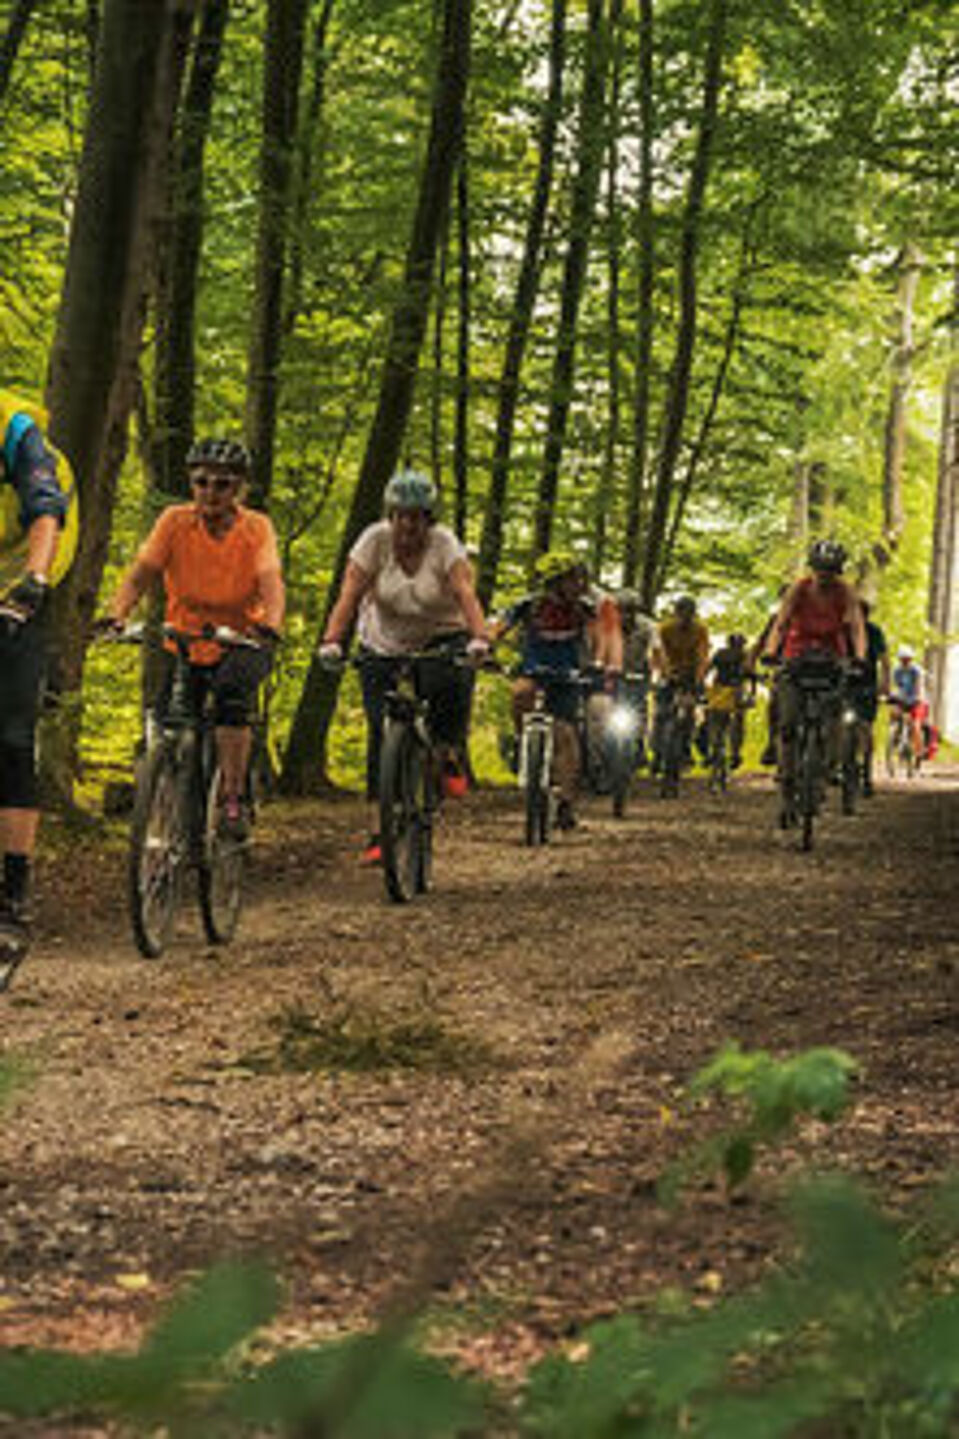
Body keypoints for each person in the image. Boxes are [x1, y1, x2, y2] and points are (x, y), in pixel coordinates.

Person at [103, 438, 284, 839]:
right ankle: (167, 801)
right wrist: (117, 614)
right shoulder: (174, 521)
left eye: (221, 484)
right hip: (183, 637)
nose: (209, 493)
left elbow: (271, 580)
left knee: (231, 701)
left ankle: (233, 799)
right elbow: (141, 573)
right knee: (170, 719)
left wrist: (271, 623)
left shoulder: (256, 528)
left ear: (238, 488)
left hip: (242, 638)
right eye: (201, 482)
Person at [318, 469, 489, 863]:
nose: (408, 525)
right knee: (381, 731)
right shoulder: (373, 542)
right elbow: (349, 594)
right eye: (400, 515)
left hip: (442, 635)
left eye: (417, 516)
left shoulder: (445, 544)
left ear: (429, 519)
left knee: (450, 682)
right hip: (384, 640)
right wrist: (331, 641)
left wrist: (480, 638)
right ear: (389, 516)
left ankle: (447, 751)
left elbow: (465, 592)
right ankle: (379, 832)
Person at [0, 388, 78, 986]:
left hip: (20, 584)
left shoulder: (15, 427)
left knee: (10, 735)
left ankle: (14, 886)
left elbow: (46, 508)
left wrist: (33, 583)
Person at [493, 550, 621, 830]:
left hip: (568, 675)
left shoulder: (583, 607)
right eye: (573, 578)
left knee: (566, 735)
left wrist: (600, 661)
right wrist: (485, 645)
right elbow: (500, 626)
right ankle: (520, 743)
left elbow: (599, 633)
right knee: (519, 694)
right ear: (556, 581)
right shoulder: (529, 605)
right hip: (533, 670)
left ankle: (565, 802)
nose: (580, 584)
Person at [762, 539, 866, 792]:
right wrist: (770, 651)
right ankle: (786, 773)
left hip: (832, 656)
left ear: (838, 571)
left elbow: (856, 626)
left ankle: (830, 763)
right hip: (797, 655)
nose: (824, 576)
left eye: (830, 570)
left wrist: (859, 657)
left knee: (834, 714)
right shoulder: (799, 588)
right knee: (787, 719)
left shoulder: (845, 591)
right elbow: (781, 621)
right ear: (812, 568)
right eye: (820, 569)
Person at [650, 595, 710, 772]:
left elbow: (703, 655)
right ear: (676, 613)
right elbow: (659, 654)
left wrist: (699, 679)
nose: (685, 618)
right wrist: (666, 673)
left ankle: (685, 747)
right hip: (669, 673)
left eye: (689, 614)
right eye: (682, 613)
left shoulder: (700, 630)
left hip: (690, 675)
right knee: (660, 712)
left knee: (689, 711)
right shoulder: (665, 629)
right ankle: (657, 752)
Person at [847, 599, 889, 796]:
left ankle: (867, 772)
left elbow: (884, 660)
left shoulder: (874, 632)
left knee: (864, 726)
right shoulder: (843, 630)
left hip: (866, 685)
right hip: (843, 684)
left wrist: (885, 685)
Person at [704, 632, 752, 770]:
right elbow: (748, 671)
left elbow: (708, 668)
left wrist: (700, 684)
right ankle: (735, 753)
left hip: (718, 689)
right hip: (735, 690)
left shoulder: (720, 653)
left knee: (714, 720)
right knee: (738, 721)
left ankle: (714, 750)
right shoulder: (744, 655)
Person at [889, 643, 924, 761]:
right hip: (903, 699)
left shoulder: (916, 670)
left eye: (907, 659)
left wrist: (918, 697)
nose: (905, 661)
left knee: (915, 726)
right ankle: (895, 738)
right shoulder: (897, 671)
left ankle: (918, 752)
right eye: (902, 659)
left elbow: (919, 686)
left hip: (916, 700)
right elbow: (897, 686)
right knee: (894, 713)